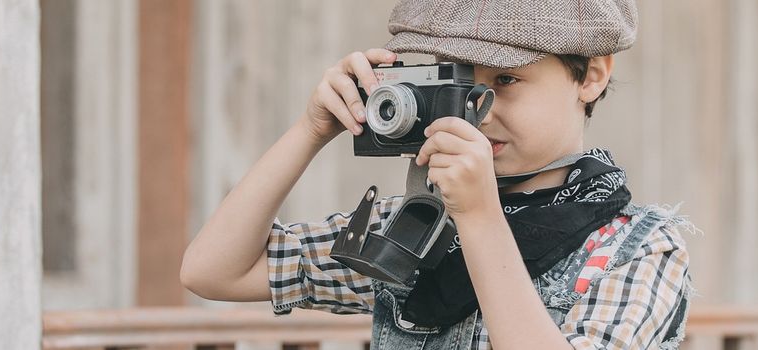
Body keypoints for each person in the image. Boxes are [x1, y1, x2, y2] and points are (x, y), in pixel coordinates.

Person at [180, 0, 694, 349]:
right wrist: (310, 130)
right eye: (457, 79)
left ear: (592, 75)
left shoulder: (637, 249)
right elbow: (213, 271)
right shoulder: (413, 230)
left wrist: (479, 215)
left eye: (506, 79)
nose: (478, 109)